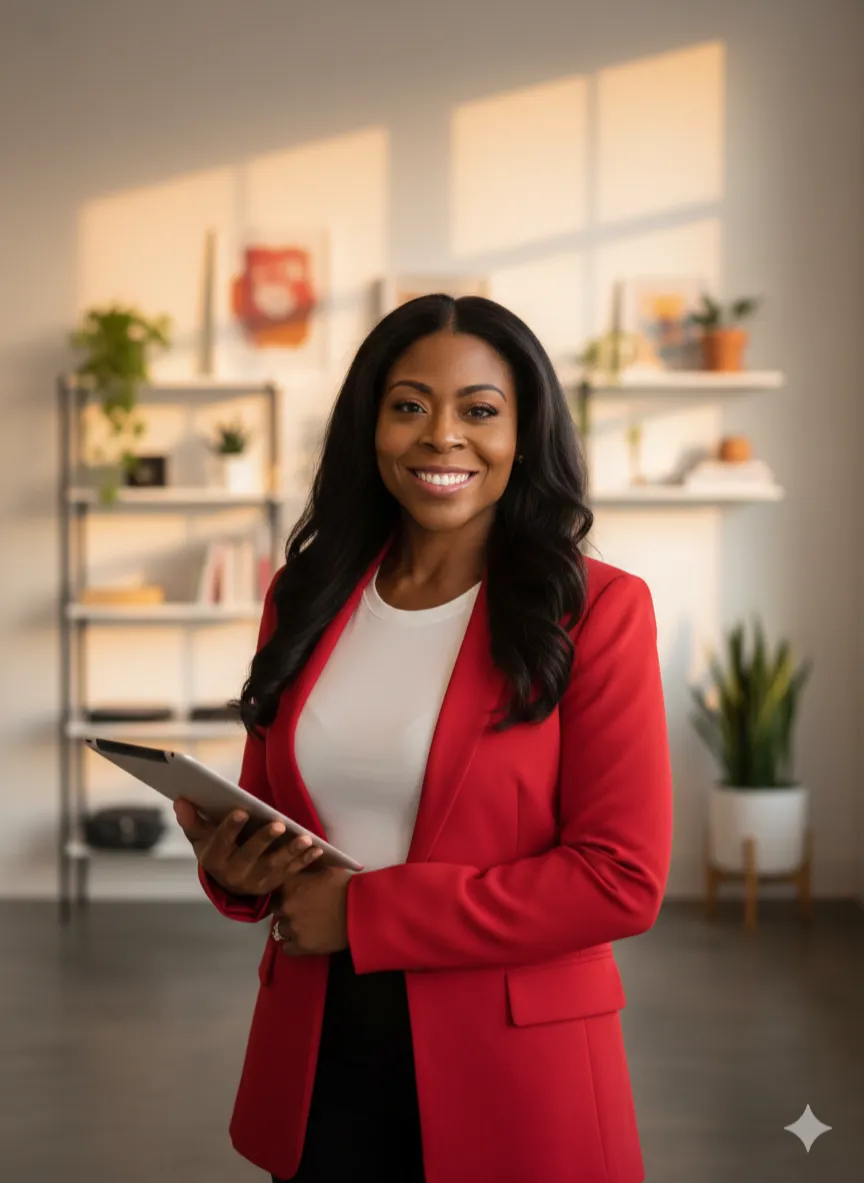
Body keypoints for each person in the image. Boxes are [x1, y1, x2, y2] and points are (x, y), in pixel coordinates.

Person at [174, 294, 673, 1183]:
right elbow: (280, 816)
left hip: (515, 1073)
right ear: (371, 427)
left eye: (480, 410)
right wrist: (235, 867)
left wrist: (364, 913)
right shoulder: (306, 594)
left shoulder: (597, 610)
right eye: (409, 405)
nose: (442, 436)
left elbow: (619, 879)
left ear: (524, 434)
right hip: (321, 1050)